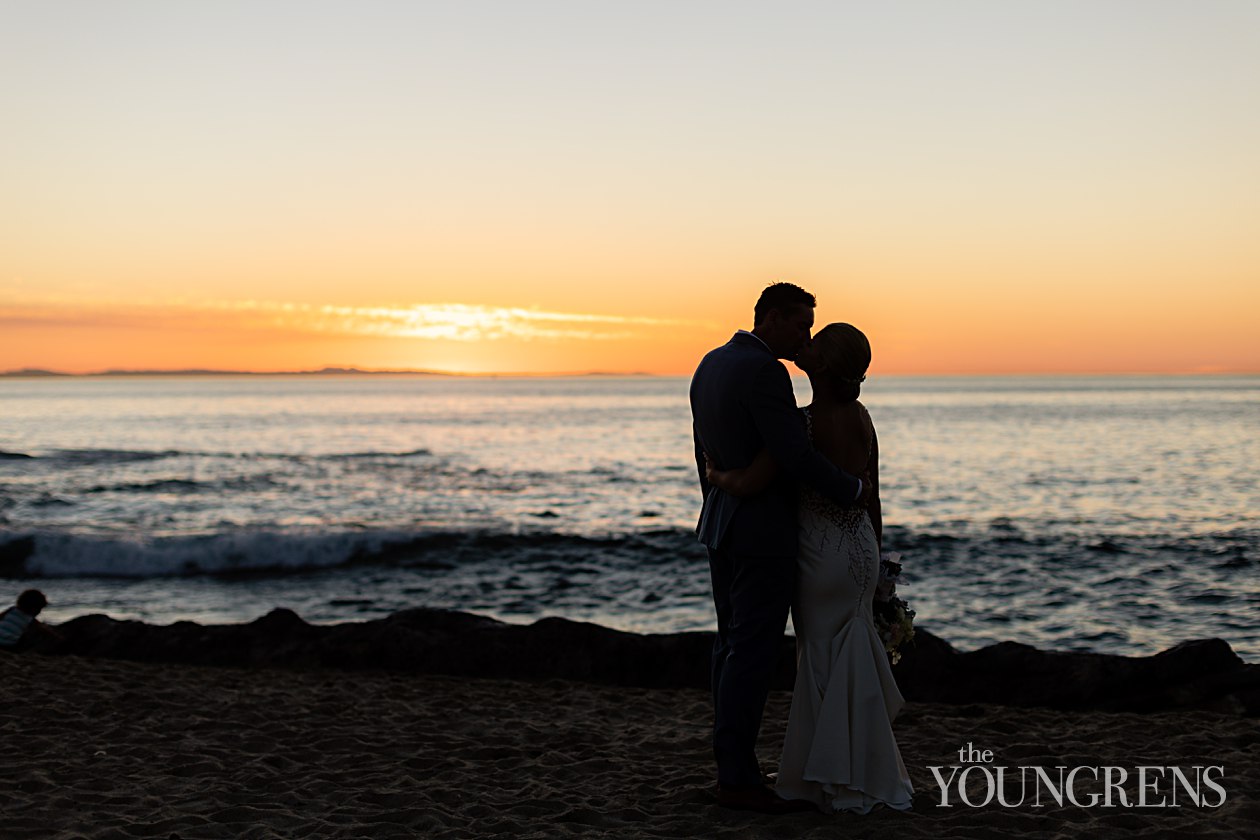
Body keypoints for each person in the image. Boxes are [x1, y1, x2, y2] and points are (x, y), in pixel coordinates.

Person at [706, 322, 914, 814]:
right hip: (860, 551)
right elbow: (873, 498)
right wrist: (879, 567)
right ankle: (864, 767)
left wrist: (715, 473)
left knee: (819, 660)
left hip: (820, 558)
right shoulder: (863, 417)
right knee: (856, 654)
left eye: (813, 346)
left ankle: (824, 777)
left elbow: (754, 481)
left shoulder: (800, 426)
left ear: (818, 366)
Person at [689, 283, 868, 814]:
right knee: (753, 653)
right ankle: (739, 781)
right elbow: (793, 456)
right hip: (762, 535)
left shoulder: (711, 362)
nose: (805, 336)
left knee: (730, 648)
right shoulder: (767, 371)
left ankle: (733, 768)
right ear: (768, 319)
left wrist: (722, 491)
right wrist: (854, 491)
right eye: (800, 325)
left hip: (721, 527)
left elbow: (704, 449)